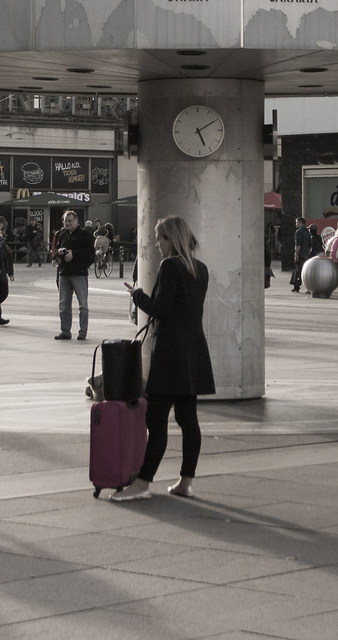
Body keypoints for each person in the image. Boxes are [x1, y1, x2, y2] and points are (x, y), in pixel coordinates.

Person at [112, 215, 215, 502]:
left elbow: (162, 310)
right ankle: (186, 480)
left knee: (156, 419)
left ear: (171, 239)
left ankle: (142, 483)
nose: (157, 244)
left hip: (171, 352)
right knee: (187, 418)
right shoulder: (201, 269)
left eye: (160, 238)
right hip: (194, 350)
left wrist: (138, 296)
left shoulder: (170, 266)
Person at [52, 210, 93, 340]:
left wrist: (74, 253)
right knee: (64, 304)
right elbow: (57, 249)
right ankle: (65, 331)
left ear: (77, 221)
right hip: (64, 273)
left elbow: (91, 253)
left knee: (83, 305)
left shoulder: (84, 235)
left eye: (70, 221)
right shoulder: (62, 235)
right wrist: (59, 252)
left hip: (79, 273)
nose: (67, 223)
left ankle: (83, 331)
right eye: (65, 221)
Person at [0, 218, 15, 313]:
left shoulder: (2, 241)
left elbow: (8, 259)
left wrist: (11, 273)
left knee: (5, 292)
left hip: (3, 270)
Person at [291, 216, 312, 293]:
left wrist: (296, 254)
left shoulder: (298, 232)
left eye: (296, 222)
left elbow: (298, 244)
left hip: (301, 254)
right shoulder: (307, 232)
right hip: (306, 254)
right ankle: (308, 287)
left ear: (300, 222)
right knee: (305, 271)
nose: (296, 224)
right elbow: (310, 245)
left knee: (298, 270)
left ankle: (296, 286)